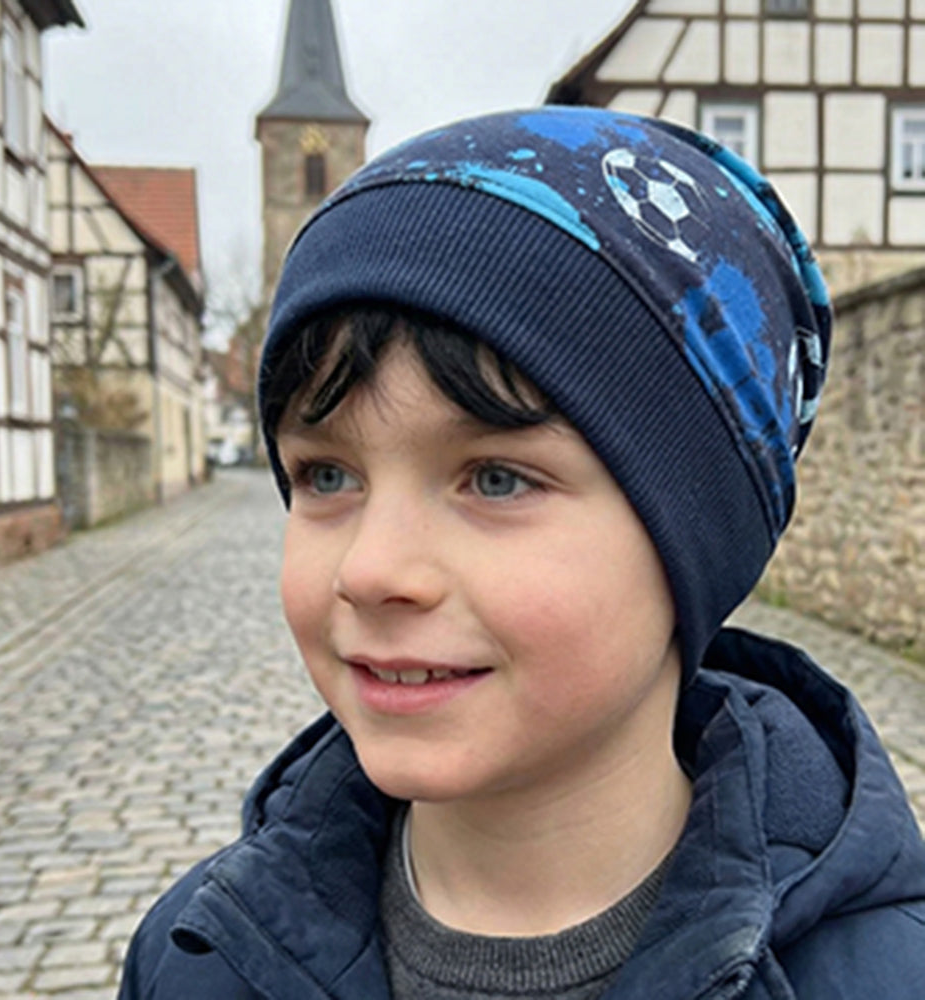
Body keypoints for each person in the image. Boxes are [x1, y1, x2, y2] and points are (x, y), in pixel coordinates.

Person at [117, 107, 925, 999]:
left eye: (497, 480)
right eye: (327, 476)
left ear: (694, 541)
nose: (370, 571)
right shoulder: (196, 959)